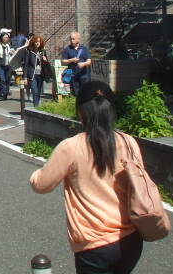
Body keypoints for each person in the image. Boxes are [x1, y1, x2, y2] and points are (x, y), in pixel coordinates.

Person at [30, 81, 144, 273]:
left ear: (80, 112)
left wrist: (35, 175)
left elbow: (41, 185)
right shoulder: (128, 142)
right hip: (131, 239)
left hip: (94, 244)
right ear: (112, 111)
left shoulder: (72, 147)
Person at [62, 32, 92, 96]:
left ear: (78, 39)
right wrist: (71, 60)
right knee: (76, 93)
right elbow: (63, 61)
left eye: (73, 39)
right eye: (70, 39)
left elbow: (89, 61)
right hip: (73, 75)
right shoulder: (67, 49)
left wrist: (83, 64)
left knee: (85, 92)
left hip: (84, 74)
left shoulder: (84, 49)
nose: (71, 41)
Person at [22, 35, 49, 107]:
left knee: (39, 92)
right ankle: (36, 107)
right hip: (32, 75)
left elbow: (46, 64)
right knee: (35, 92)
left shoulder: (43, 51)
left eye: (39, 42)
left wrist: (45, 60)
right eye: (36, 42)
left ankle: (36, 105)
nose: (38, 43)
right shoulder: (29, 51)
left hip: (40, 75)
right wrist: (25, 78)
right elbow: (26, 65)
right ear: (33, 42)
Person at [0, 30, 14, 100]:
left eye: (7, 37)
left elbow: (12, 53)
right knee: (2, 79)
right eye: (5, 37)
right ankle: (5, 92)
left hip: (9, 65)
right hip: (0, 65)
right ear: (1, 38)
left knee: (7, 80)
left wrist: (12, 52)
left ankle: (4, 91)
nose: (6, 38)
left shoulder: (9, 45)